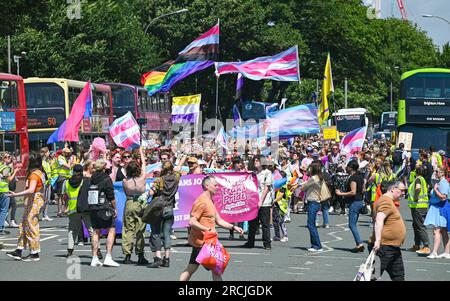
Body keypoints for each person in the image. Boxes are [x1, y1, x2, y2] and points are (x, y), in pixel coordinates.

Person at [179, 176, 244, 281]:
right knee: (215, 269)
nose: (217, 187)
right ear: (207, 186)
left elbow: (218, 220)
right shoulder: (202, 201)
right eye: (215, 185)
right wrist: (207, 229)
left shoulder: (210, 201)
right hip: (203, 243)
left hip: (207, 242)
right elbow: (192, 221)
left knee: (192, 268)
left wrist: (233, 227)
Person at [6, 154, 47, 261]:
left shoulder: (34, 175)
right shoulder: (39, 172)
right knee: (23, 224)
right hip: (34, 200)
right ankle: (19, 250)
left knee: (31, 225)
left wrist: (16, 194)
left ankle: (34, 252)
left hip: (35, 201)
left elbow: (31, 190)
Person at [371, 181, 407, 281]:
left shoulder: (388, 201)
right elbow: (379, 219)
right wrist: (378, 240)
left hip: (393, 247)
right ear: (393, 189)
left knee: (398, 276)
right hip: (384, 247)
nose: (404, 193)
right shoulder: (385, 201)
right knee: (374, 276)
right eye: (402, 190)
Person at [148, 160, 181, 268]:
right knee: (167, 234)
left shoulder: (159, 180)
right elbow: (178, 170)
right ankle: (166, 259)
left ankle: (157, 257)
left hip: (159, 209)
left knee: (156, 232)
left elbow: (151, 192)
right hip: (170, 208)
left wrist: (150, 190)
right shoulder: (176, 178)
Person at [88, 159, 120, 267]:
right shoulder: (107, 179)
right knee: (111, 229)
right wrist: (115, 208)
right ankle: (108, 257)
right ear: (104, 167)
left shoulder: (91, 178)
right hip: (105, 206)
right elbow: (111, 195)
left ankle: (94, 257)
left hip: (93, 207)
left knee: (96, 232)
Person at [121, 147, 148, 265]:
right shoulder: (142, 178)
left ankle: (127, 255)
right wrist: (141, 152)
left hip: (130, 202)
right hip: (140, 204)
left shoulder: (125, 181)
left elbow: (125, 192)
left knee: (128, 229)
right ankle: (140, 255)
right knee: (140, 230)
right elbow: (144, 165)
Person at [64, 164, 96, 258]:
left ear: (73, 171)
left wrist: (66, 207)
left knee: (72, 230)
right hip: (85, 208)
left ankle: (70, 250)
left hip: (73, 208)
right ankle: (96, 250)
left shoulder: (66, 182)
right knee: (91, 230)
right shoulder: (85, 181)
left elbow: (66, 196)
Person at [243, 155, 273, 250]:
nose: (255, 162)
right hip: (254, 201)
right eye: (254, 160)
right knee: (252, 223)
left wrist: (261, 201)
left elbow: (267, 188)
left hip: (264, 202)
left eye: (257, 160)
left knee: (265, 224)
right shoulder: (254, 173)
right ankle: (250, 242)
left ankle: (267, 243)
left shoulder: (267, 173)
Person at [336, 160, 365, 253]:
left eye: (348, 166)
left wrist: (341, 194)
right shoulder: (360, 177)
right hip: (360, 201)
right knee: (353, 224)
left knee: (352, 225)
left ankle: (359, 244)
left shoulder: (353, 178)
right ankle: (359, 243)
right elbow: (363, 189)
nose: (346, 168)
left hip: (355, 202)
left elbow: (353, 191)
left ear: (351, 168)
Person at [296, 161, 325, 252]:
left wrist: (299, 184)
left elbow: (304, 187)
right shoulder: (318, 177)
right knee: (311, 224)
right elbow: (305, 183)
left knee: (310, 224)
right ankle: (315, 245)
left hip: (313, 202)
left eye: (310, 168)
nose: (309, 169)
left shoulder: (314, 178)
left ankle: (317, 245)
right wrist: (298, 184)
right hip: (315, 202)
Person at [424, 167, 450, 259]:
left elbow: (443, 197)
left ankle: (434, 252)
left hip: (440, 208)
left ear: (442, 173)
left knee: (436, 231)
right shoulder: (440, 182)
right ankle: (446, 252)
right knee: (442, 231)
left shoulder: (443, 183)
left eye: (437, 171)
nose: (435, 173)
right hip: (438, 207)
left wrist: (435, 189)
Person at [406, 166, 431, 255]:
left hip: (418, 205)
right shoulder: (423, 179)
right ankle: (417, 245)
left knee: (420, 226)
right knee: (416, 225)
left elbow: (417, 188)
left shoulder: (418, 179)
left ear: (416, 172)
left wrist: (416, 197)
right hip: (421, 206)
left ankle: (426, 246)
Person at [56, 147, 74, 217]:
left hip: (68, 177)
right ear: (63, 153)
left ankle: (65, 209)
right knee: (60, 195)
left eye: (69, 153)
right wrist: (70, 162)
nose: (68, 154)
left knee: (67, 195)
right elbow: (68, 166)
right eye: (67, 153)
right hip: (62, 177)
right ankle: (59, 211)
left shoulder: (69, 158)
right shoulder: (60, 158)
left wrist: (70, 163)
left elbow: (72, 166)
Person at [40, 147, 53, 222]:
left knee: (47, 199)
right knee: (43, 199)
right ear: (45, 153)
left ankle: (45, 214)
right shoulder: (42, 162)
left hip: (48, 183)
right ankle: (40, 214)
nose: (49, 153)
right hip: (44, 183)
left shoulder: (47, 162)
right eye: (48, 152)